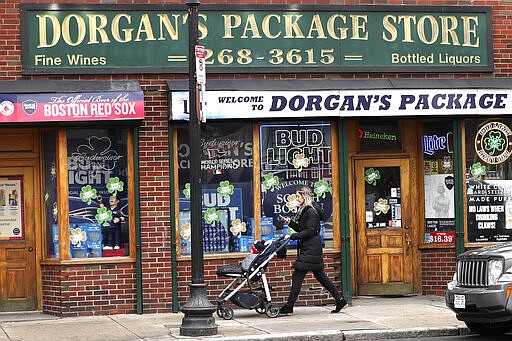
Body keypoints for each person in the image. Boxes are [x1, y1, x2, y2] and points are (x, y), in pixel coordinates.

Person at [280, 186, 347, 315]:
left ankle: (289, 305)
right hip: (310, 248)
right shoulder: (306, 210)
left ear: (304, 197)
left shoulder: (311, 211)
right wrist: (291, 223)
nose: (297, 199)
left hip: (311, 249)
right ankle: (340, 300)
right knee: (321, 276)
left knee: (298, 276)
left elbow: (310, 231)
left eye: (298, 196)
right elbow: (302, 228)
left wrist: (292, 236)